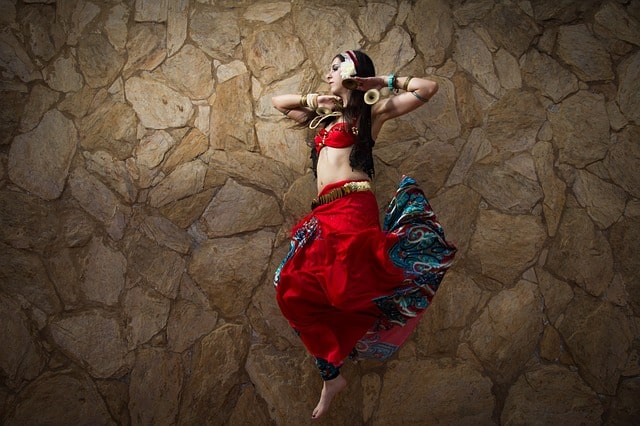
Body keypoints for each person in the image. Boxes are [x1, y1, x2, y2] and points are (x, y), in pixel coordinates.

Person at [271, 50, 456, 419]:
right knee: (289, 287)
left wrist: (382, 83)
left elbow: (427, 88)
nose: (329, 71)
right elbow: (279, 103)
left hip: (353, 209)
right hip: (323, 212)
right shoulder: (322, 118)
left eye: (337, 65)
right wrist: (313, 100)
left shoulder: (369, 114)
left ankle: (335, 367)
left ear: (357, 72)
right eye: (330, 66)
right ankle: (332, 375)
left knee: (344, 290)